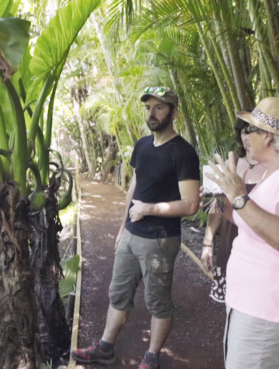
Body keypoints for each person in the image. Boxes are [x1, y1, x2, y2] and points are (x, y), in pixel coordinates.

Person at [71, 86, 200, 369]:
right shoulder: (142, 145)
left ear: (173, 112)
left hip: (160, 240)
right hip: (131, 234)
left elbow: (191, 205)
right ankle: (105, 348)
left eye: (159, 107)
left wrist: (150, 210)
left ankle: (151, 357)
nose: (152, 114)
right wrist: (122, 227)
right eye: (148, 108)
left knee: (157, 302)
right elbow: (135, 186)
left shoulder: (183, 153)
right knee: (117, 294)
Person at [204, 97, 279, 369]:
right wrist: (224, 195)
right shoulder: (274, 174)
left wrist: (238, 196)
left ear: (268, 137)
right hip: (250, 303)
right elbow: (247, 220)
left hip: (268, 306)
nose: (245, 136)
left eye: (251, 130)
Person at [200, 117, 266, 303]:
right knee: (232, 305)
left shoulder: (274, 168)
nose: (248, 136)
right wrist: (207, 244)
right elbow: (214, 208)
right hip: (231, 241)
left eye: (254, 131)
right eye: (244, 131)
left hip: (263, 246)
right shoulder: (225, 165)